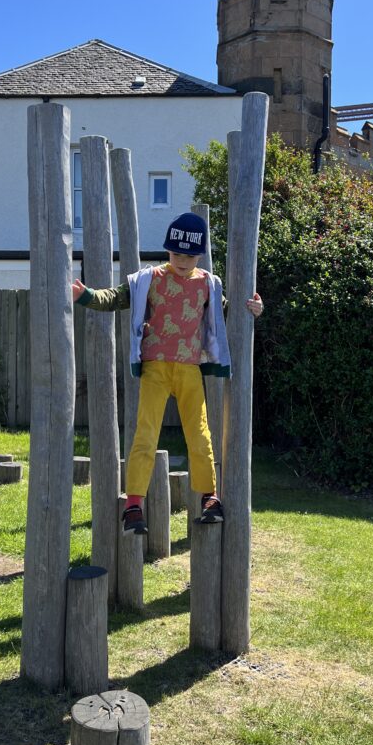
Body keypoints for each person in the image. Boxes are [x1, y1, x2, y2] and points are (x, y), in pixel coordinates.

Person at [73, 212, 263, 535]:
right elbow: (119, 297)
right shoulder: (152, 279)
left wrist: (254, 308)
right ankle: (134, 504)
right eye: (176, 254)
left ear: (199, 254)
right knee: (145, 433)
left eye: (189, 255)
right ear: (167, 251)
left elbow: (227, 312)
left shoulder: (207, 284)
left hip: (189, 369)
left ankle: (209, 497)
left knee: (200, 434)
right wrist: (88, 296)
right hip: (156, 368)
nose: (182, 261)